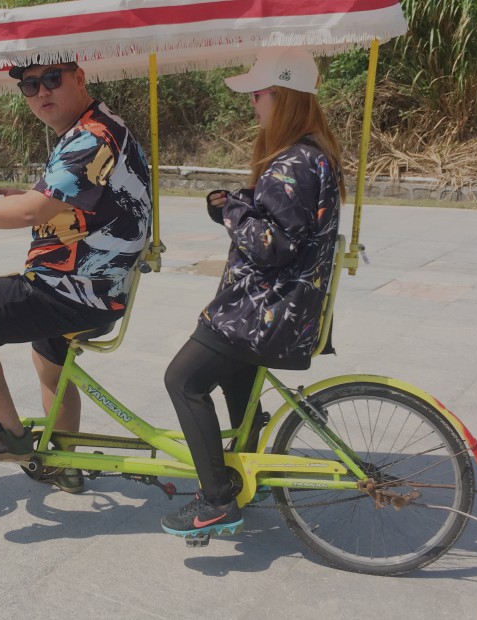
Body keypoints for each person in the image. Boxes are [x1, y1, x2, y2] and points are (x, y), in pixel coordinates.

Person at [0, 60, 152, 493]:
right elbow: (64, 201)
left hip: (72, 290)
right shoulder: (97, 126)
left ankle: (7, 434)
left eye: (52, 79)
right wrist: (34, 197)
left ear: (79, 78)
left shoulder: (91, 137)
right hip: (97, 288)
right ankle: (64, 463)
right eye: (30, 86)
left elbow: (30, 212)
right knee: (49, 361)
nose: (42, 92)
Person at [160, 47, 346, 537]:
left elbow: (273, 246)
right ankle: (248, 471)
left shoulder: (292, 163)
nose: (252, 104)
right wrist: (240, 203)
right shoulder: (313, 154)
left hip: (261, 311)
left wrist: (232, 211)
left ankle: (217, 500)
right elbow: (286, 227)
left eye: (258, 94)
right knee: (234, 379)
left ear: (283, 97)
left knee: (183, 381)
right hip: (283, 309)